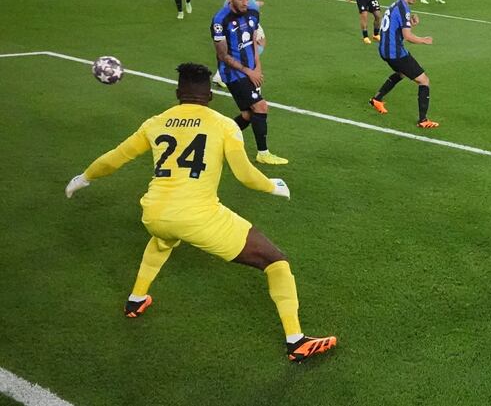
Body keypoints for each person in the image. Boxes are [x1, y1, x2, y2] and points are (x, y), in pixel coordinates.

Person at [64, 62, 337, 362]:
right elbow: (245, 174)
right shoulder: (223, 124)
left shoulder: (155, 123)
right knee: (276, 262)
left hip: (154, 213)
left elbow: (114, 158)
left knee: (162, 240)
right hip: (198, 217)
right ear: (210, 96)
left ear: (177, 93)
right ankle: (296, 341)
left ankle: (136, 299)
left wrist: (83, 178)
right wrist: (273, 186)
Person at [211, 0, 288, 165]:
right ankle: (263, 153)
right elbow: (222, 55)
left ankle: (217, 140)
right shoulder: (220, 20)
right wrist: (248, 72)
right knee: (261, 106)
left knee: (248, 114)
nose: (245, 2)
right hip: (232, 73)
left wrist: (257, 67)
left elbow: (253, 41)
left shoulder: (253, 13)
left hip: (251, 70)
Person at [369, 0, 439, 128]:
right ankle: (423, 120)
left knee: (401, 73)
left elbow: (395, 28)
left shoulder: (396, 5)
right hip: (395, 52)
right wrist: (424, 40)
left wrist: (411, 24)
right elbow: (408, 36)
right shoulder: (403, 8)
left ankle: (377, 99)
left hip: (384, 50)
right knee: (424, 81)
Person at [212, 0, 265, 87]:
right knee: (256, 44)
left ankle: (221, 75)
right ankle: (244, 73)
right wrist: (256, 4)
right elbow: (246, 2)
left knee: (245, 45)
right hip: (243, 18)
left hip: (242, 16)